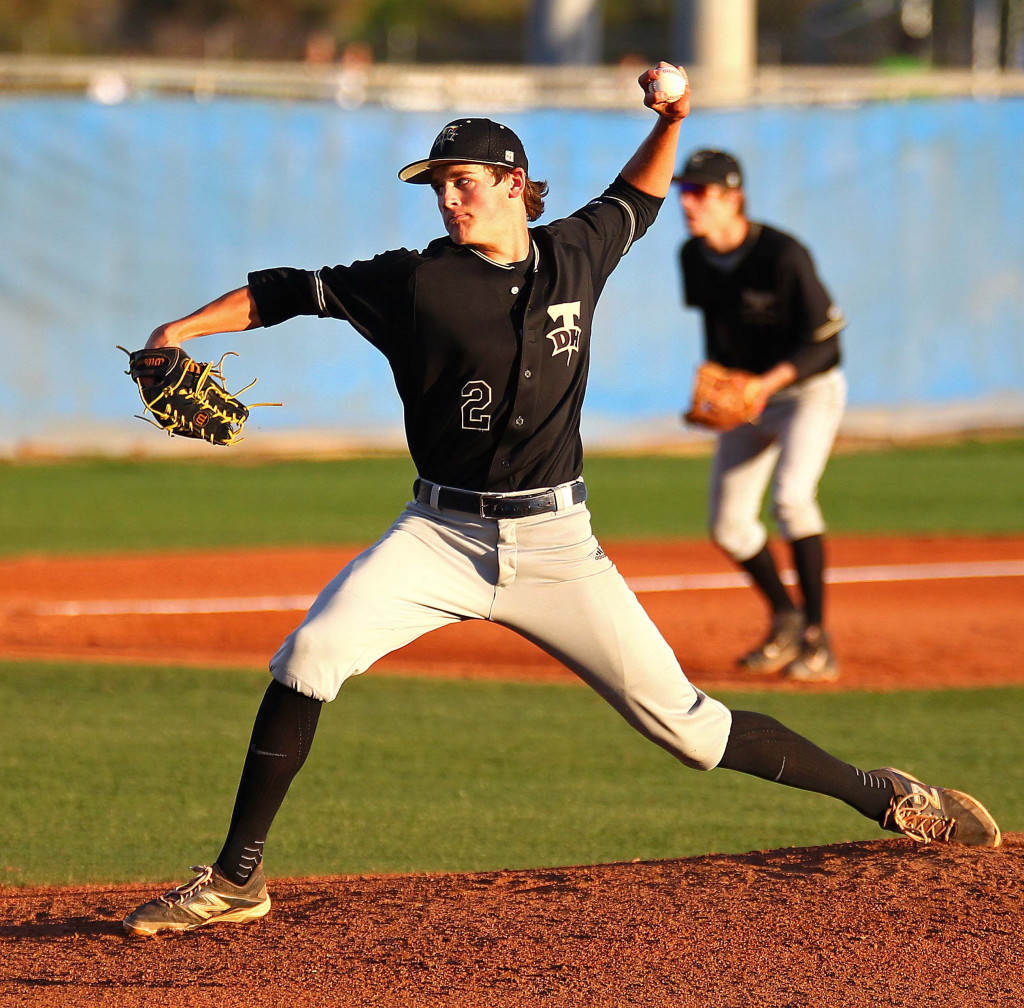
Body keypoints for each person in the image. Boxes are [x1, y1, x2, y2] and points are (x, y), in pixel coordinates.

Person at [122, 66, 1000, 937]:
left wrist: (675, 118)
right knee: (307, 657)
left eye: (464, 183)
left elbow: (640, 192)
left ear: (514, 186)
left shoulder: (579, 250)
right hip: (439, 533)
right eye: (438, 188)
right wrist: (177, 332)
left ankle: (883, 795)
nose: (449, 202)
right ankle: (237, 879)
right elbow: (289, 292)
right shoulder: (416, 281)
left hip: (556, 545)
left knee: (692, 732)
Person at [675, 149, 847, 683]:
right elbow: (718, 329)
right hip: (748, 399)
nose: (689, 201)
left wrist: (762, 385)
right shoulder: (694, 257)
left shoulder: (783, 255)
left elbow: (827, 347)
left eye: (701, 192)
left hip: (806, 391)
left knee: (792, 499)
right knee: (729, 526)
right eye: (686, 190)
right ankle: (786, 617)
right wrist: (719, 388)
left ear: (734, 199)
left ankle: (818, 640)